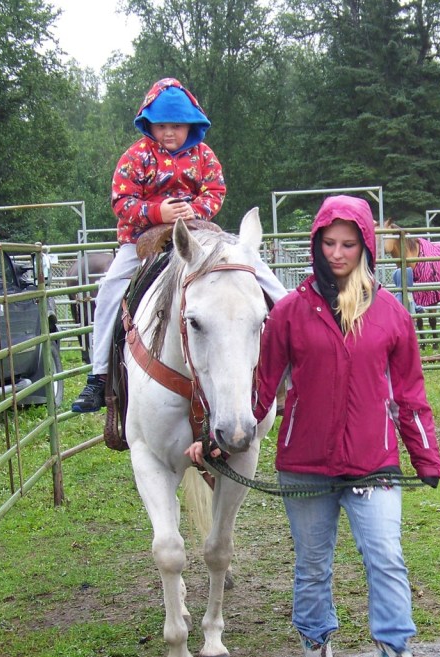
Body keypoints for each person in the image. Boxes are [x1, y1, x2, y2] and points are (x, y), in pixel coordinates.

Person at [187, 195, 440, 657]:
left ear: (366, 245)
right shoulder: (287, 313)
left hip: (374, 464)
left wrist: (425, 456)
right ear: (316, 245)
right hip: (305, 464)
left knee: (387, 561)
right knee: (312, 566)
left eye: (348, 244)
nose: (338, 253)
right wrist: (219, 442)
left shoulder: (392, 315)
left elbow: (410, 393)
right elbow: (260, 393)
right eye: (328, 243)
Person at [72, 77, 286, 412]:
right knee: (110, 289)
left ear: (190, 125)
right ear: (150, 125)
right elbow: (122, 199)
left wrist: (194, 209)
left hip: (199, 231)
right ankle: (99, 376)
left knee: (255, 268)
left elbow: (215, 191)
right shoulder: (136, 156)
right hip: (142, 238)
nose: (168, 132)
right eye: (160, 126)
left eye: (176, 125)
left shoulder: (204, 155)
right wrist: (157, 211)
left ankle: (289, 348)